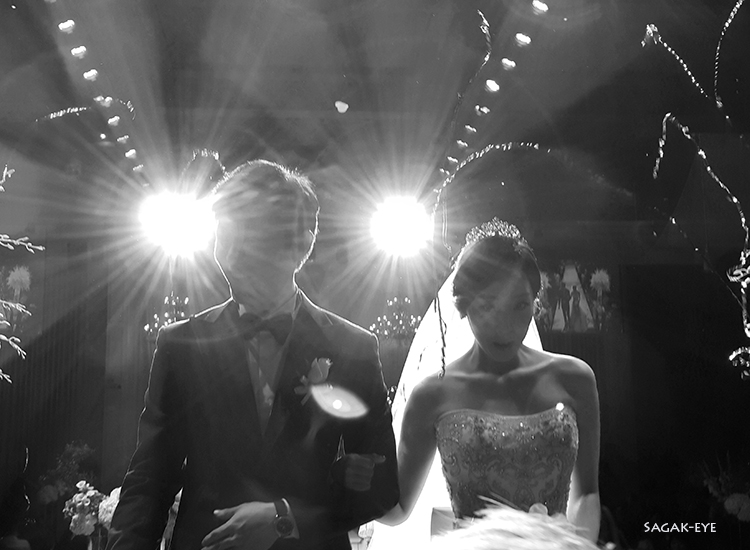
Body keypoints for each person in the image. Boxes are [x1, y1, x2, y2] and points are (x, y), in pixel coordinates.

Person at [107, 159, 399, 550]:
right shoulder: (181, 345)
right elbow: (149, 480)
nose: (227, 254)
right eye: (222, 235)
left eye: (246, 236)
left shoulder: (352, 349)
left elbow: (382, 486)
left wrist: (286, 518)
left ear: (300, 245)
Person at [375, 219, 600, 542]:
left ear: (535, 303)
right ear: (463, 306)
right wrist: (351, 479)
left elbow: (587, 494)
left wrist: (575, 546)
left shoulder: (575, 379)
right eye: (488, 306)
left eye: (519, 305)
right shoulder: (432, 395)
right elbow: (398, 509)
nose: (504, 325)